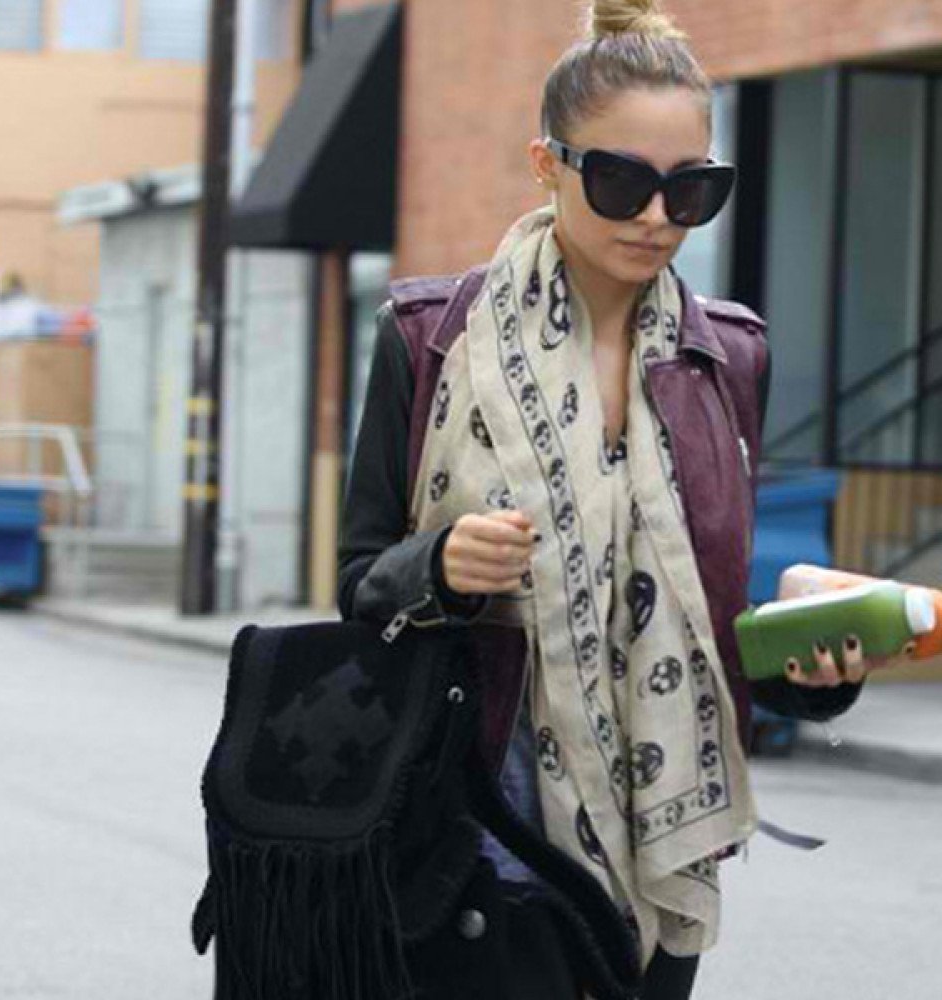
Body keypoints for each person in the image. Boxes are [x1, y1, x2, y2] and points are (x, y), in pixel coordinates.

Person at [338, 2, 868, 996]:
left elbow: (707, 626)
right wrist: (438, 566)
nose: (657, 216)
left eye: (691, 188)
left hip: (661, 858)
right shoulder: (428, 340)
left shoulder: (727, 358)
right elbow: (359, 585)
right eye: (621, 181)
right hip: (476, 836)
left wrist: (814, 673)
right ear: (548, 164)